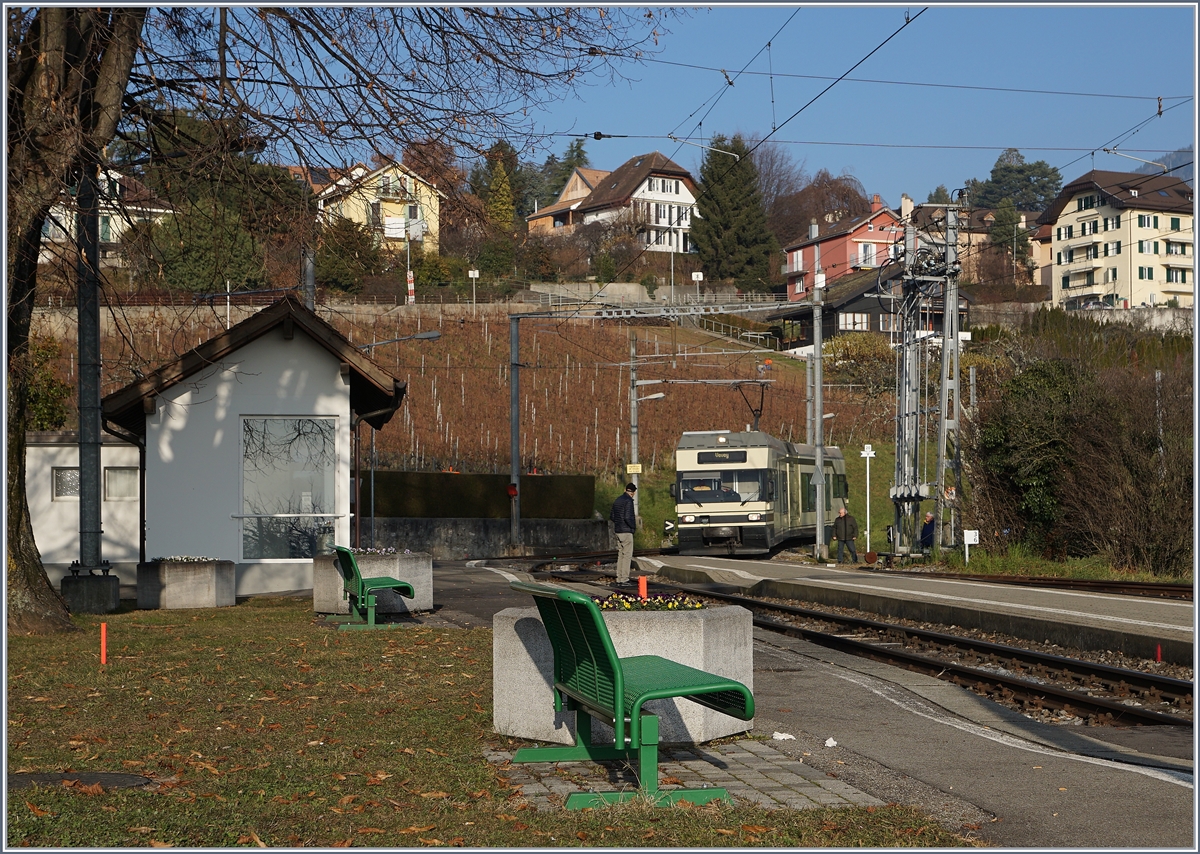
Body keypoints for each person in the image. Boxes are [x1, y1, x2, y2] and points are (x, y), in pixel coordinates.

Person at [610, 483, 637, 586]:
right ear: (633, 492)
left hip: (618, 530)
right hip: (626, 531)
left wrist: (618, 523)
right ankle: (624, 579)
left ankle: (619, 578)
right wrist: (633, 527)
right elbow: (627, 517)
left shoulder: (618, 500)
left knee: (620, 555)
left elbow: (612, 516)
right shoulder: (628, 501)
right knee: (627, 556)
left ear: (625, 489)